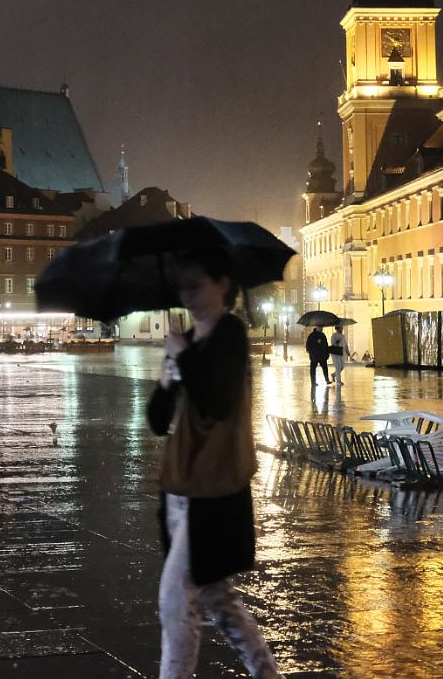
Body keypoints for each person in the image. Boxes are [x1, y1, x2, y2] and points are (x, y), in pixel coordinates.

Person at [147, 247, 279, 679]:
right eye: (181, 286)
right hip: (180, 487)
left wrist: (183, 357)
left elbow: (218, 400)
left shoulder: (230, 335)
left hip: (214, 490)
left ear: (222, 285)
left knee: (174, 599)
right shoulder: (187, 342)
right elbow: (157, 421)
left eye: (196, 285)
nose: (188, 295)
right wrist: (167, 378)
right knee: (216, 598)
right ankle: (267, 673)